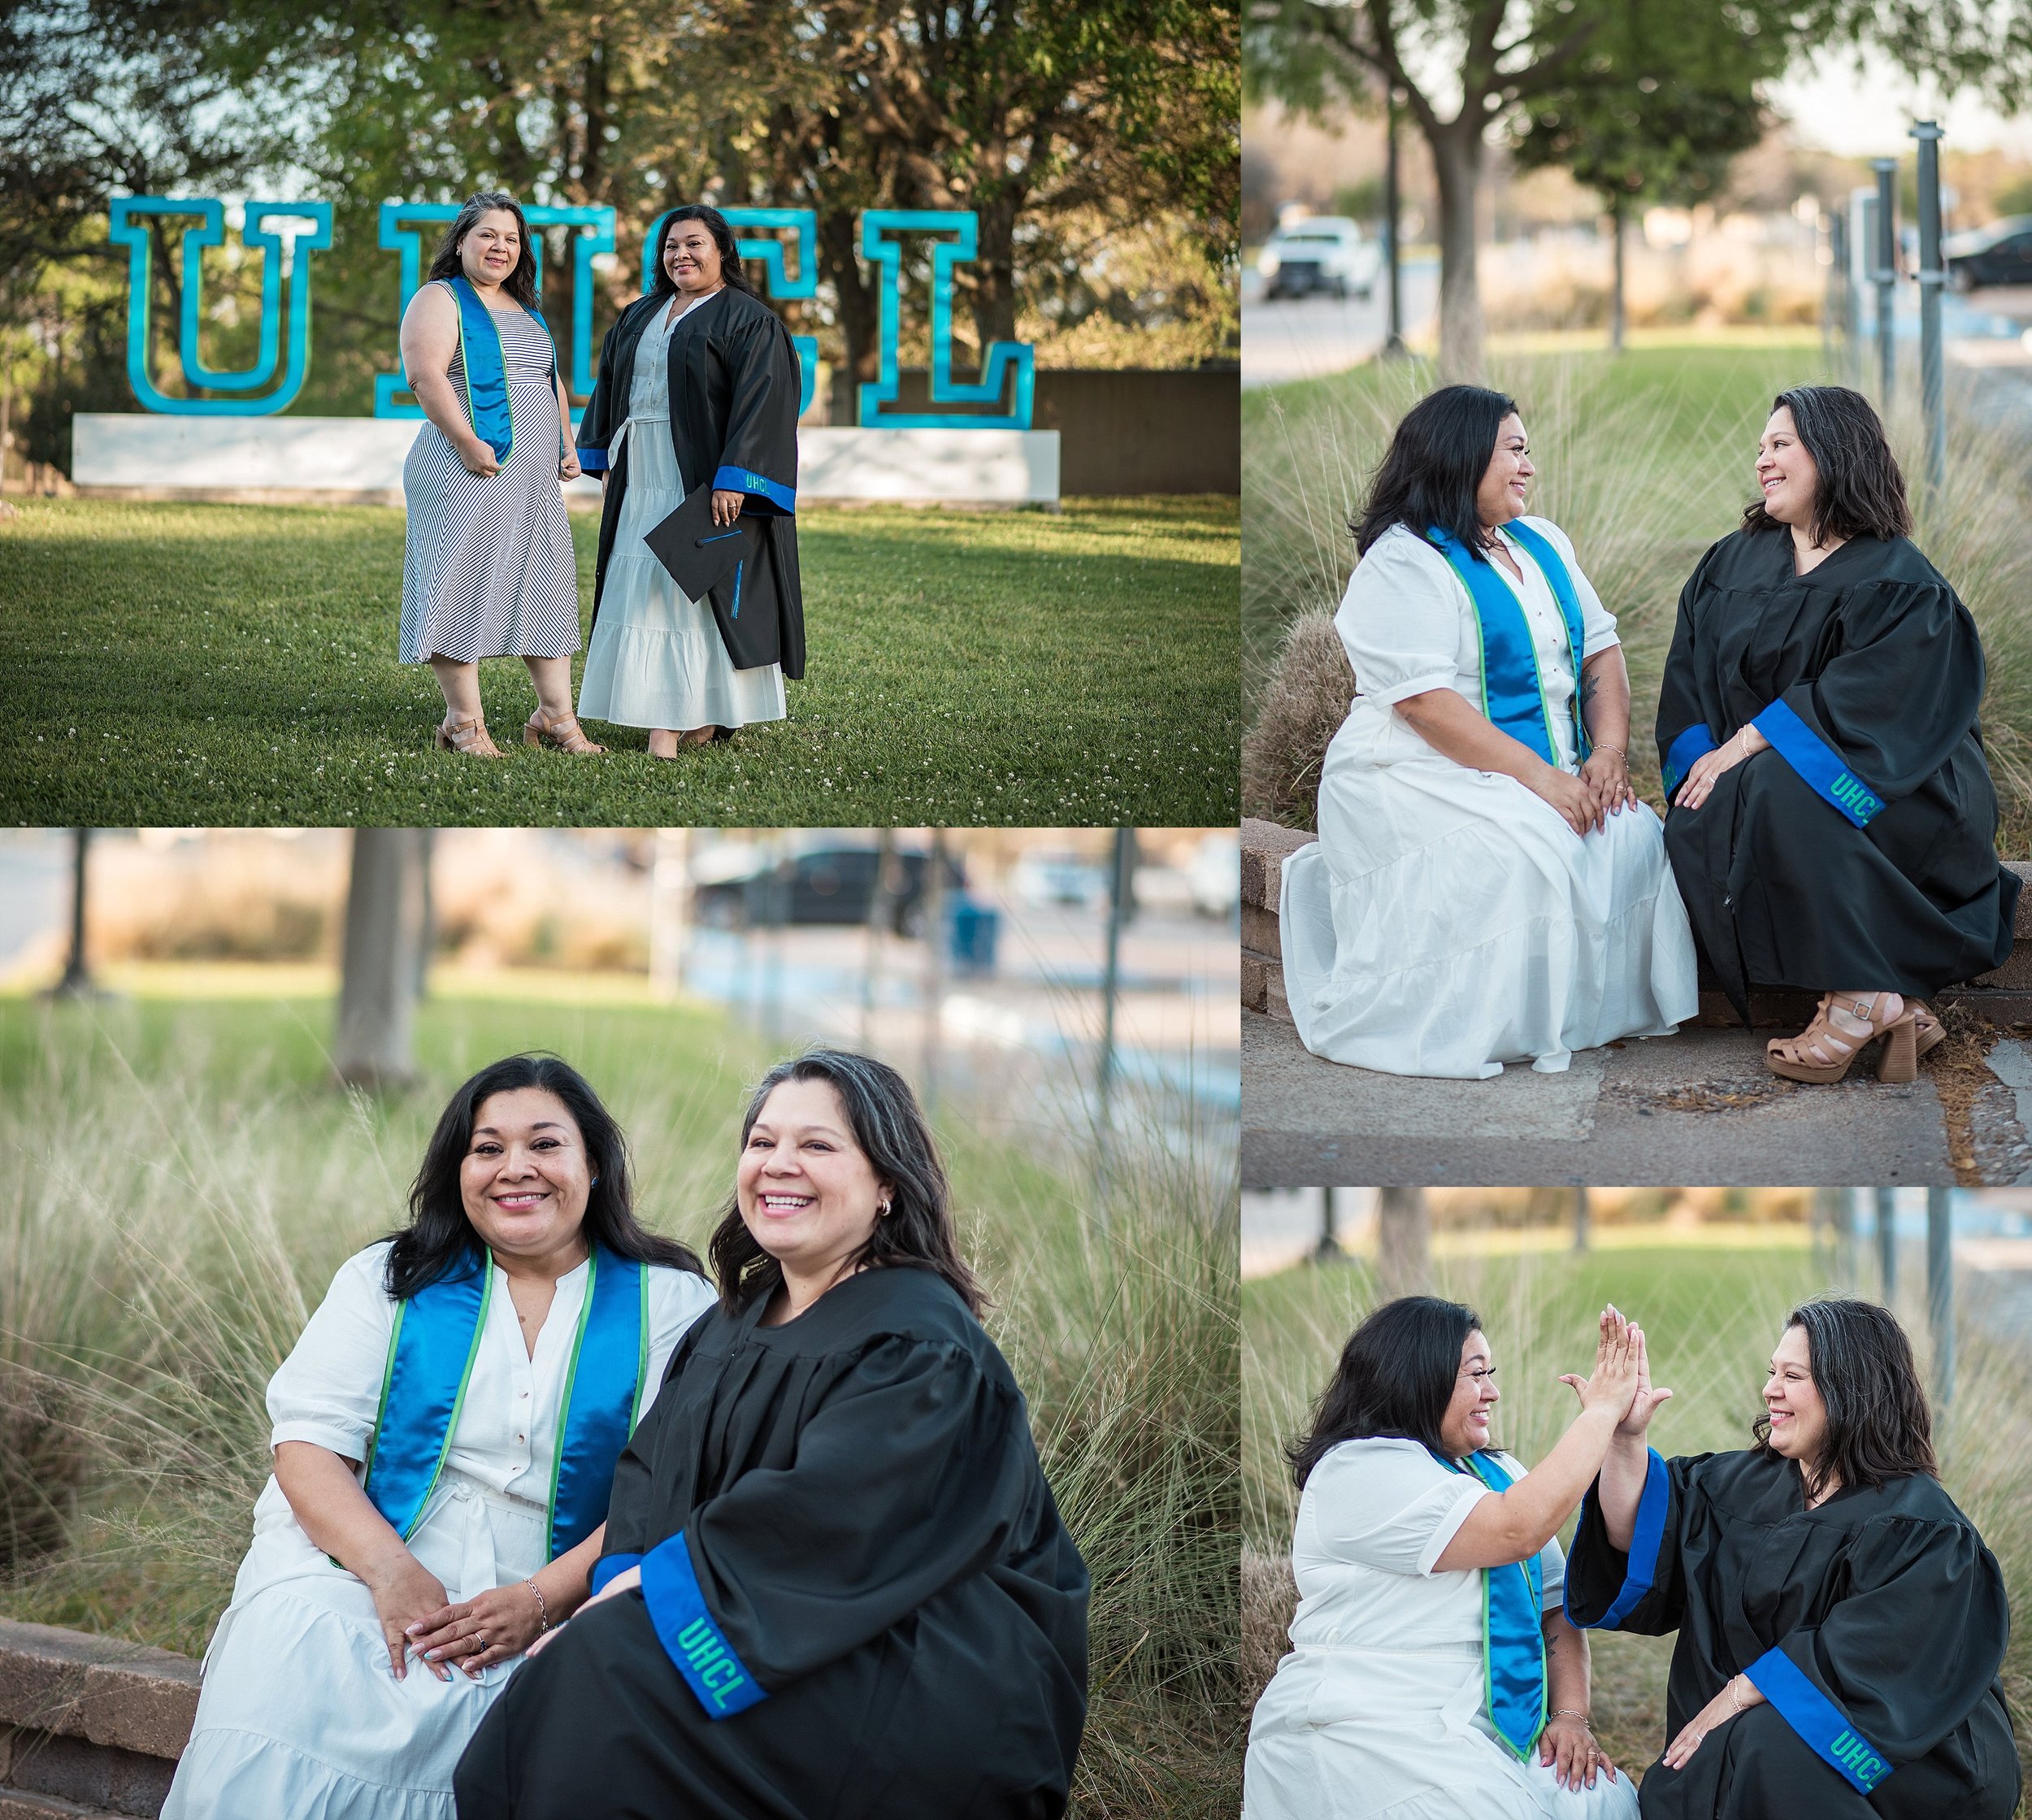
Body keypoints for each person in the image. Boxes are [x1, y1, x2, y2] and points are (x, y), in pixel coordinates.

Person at [454, 1049, 1089, 1820]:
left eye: (817, 1145)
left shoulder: (922, 1344)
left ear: (888, 1182)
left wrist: (644, 1595)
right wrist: (620, 1589)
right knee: (571, 1687)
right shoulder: (733, 1324)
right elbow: (656, 1482)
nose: (778, 1165)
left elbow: (834, 1521)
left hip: (922, 1654)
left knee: (601, 1682)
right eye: (762, 1142)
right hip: (768, 1622)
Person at [162, 1056, 714, 1820]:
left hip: (568, 1567)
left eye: (545, 1144)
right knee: (296, 1663)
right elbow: (309, 1447)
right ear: (457, 1168)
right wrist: (391, 1572)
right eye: (487, 1148)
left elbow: (668, 1489)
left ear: (595, 1161)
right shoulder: (392, 1278)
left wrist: (541, 1600)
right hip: (366, 1545)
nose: (514, 1168)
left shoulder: (672, 1303)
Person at [1280, 384, 1697, 1079]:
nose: (1529, 467)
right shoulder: (1404, 560)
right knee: (1518, 849)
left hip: (1550, 765)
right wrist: (1542, 780)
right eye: (1514, 450)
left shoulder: (1543, 544)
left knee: (1629, 835)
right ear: (1461, 456)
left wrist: (1607, 756)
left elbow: (1602, 650)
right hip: (1413, 773)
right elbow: (1423, 705)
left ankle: (1571, 1017)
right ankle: (1492, 1023)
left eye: (1528, 451)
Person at [1657, 384, 2018, 1083]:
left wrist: (1755, 740)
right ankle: (1892, 1001)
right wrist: (1705, 762)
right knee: (1706, 811)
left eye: (1781, 444)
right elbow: (1687, 682)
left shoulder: (1899, 580)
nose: (1762, 459)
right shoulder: (1729, 565)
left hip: (1902, 788)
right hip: (1759, 780)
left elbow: (1881, 706)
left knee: (1783, 785)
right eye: (1760, 447)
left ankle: (1855, 1001)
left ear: (1834, 451)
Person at [1565, 1297, 2018, 1819]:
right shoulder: (1737, 1486)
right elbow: (1639, 1536)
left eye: (1793, 1375)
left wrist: (1743, 1694)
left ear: (1851, 1389)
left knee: (1770, 1749)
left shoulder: (1923, 1531)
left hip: (1909, 1760)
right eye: (1771, 1372)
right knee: (1690, 1782)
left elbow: (1880, 1657)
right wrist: (1626, 1436)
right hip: (1749, 1739)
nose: (1770, 1389)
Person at [1244, 1295, 1643, 1820]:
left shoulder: (1497, 1472)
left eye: (1491, 1373)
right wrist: (1602, 1411)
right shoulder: (1358, 1470)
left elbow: (1554, 1608)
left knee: (1605, 1803)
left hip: (1485, 1724)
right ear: (1418, 1378)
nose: (1493, 1392)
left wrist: (1572, 1716)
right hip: (1368, 1722)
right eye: (1476, 1374)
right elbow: (1516, 1528)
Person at [573, 205, 805, 757]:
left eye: (694, 244)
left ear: (722, 250)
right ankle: (696, 713)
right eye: (672, 245)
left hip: (700, 473)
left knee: (686, 584)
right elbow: (612, 384)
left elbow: (764, 401)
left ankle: (668, 726)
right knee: (640, 584)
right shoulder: (639, 314)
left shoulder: (747, 319)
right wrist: (604, 452)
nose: (681, 254)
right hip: (640, 465)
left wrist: (736, 477)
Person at [397, 192, 602, 758]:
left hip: (532, 479)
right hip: (465, 469)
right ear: (461, 240)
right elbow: (425, 375)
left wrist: (566, 439)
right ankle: (463, 722)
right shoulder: (440, 299)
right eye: (488, 234)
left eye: (511, 238)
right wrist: (466, 440)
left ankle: (557, 716)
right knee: (460, 584)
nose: (500, 247)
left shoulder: (525, 308)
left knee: (546, 591)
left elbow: (548, 380)